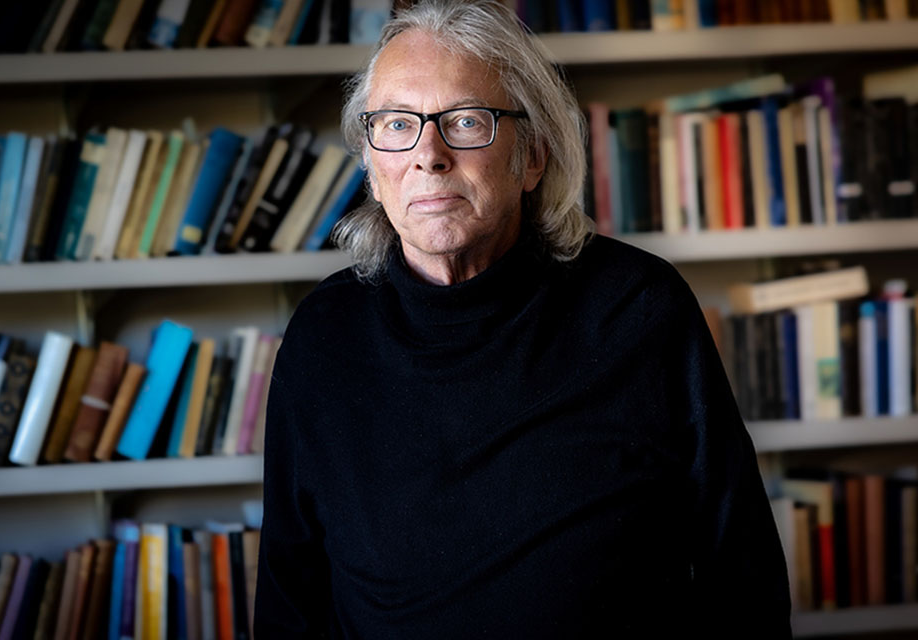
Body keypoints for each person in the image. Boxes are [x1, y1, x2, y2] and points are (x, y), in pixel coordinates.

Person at [255, 1, 792, 637]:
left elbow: (743, 573)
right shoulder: (324, 337)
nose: (428, 154)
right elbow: (290, 598)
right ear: (373, 169)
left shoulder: (640, 309)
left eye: (466, 121)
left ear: (531, 156)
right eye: (397, 125)